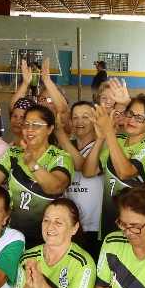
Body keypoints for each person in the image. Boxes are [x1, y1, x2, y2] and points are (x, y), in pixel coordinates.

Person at [0, 104, 73, 249]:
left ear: (50, 129)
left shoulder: (60, 156)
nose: (29, 130)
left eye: (36, 125)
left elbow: (55, 187)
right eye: (26, 124)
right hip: (12, 233)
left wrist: (32, 164)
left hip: (47, 235)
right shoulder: (13, 153)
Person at [82, 94, 145, 240]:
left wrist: (109, 134)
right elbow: (89, 171)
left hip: (135, 224)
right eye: (130, 113)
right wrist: (101, 139)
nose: (132, 120)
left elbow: (125, 172)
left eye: (140, 118)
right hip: (108, 218)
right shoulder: (118, 138)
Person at [56, 101, 104, 259]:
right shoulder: (64, 147)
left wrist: (61, 135)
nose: (79, 121)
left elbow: (83, 166)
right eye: (75, 117)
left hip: (95, 227)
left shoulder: (103, 146)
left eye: (85, 116)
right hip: (69, 225)